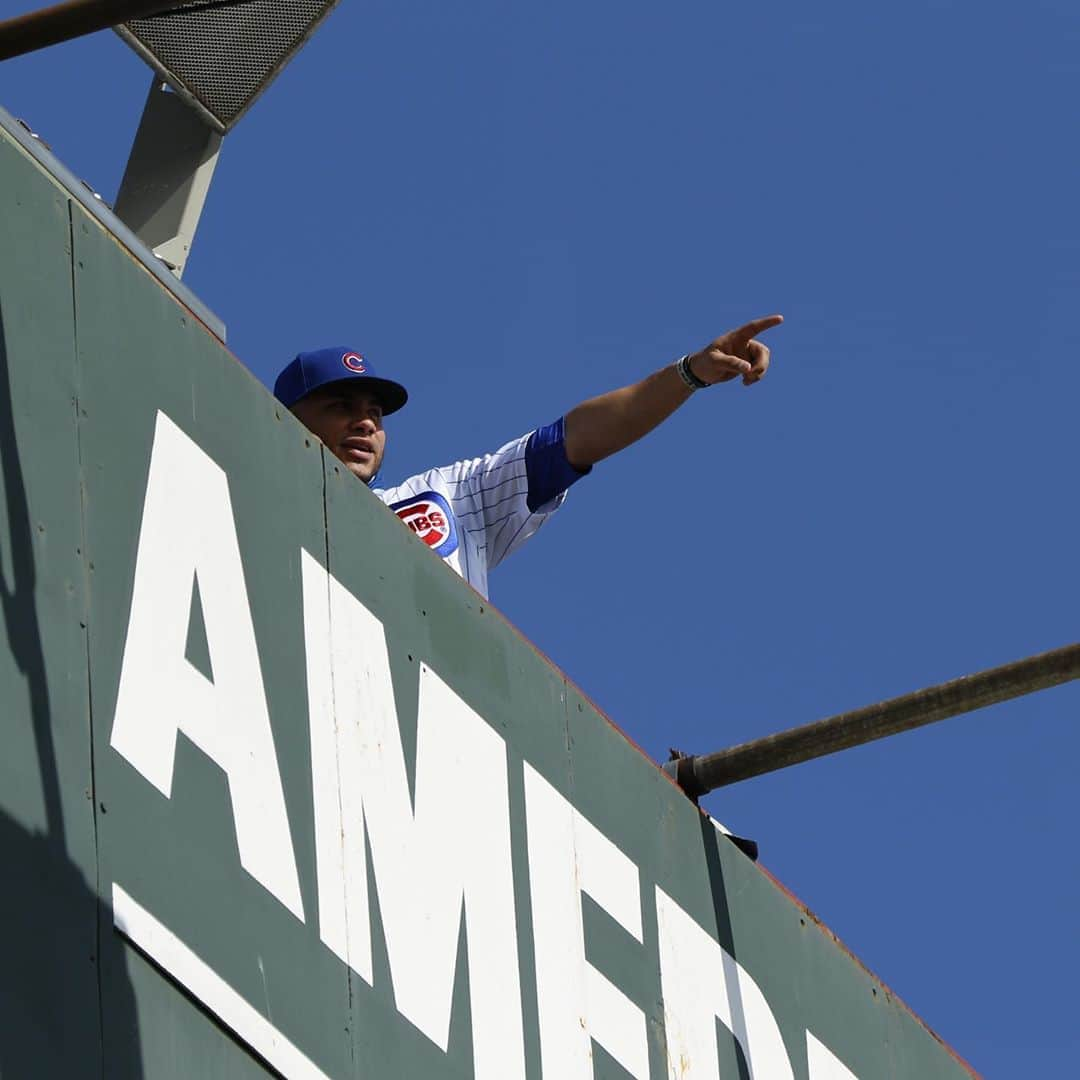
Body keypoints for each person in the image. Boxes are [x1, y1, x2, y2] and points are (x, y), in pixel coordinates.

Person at [274, 316, 782, 597]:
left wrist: (688, 374)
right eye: (341, 406)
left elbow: (574, 440)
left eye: (376, 413)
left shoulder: (444, 497)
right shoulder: (236, 492)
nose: (365, 422)